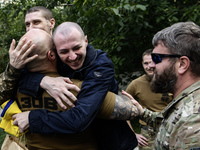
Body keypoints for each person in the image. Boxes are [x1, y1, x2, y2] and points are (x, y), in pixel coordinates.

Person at [2, 22, 137, 149]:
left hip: (114, 143)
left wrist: (32, 118)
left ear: (86, 41)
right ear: (53, 53)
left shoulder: (100, 67)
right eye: (64, 52)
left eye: (77, 48)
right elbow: (29, 68)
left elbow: (80, 119)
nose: (72, 57)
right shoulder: (32, 76)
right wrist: (41, 80)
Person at [124, 21, 200, 149]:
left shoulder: (192, 122)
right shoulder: (187, 101)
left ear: (182, 64)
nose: (151, 66)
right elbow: (171, 122)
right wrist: (141, 112)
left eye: (157, 58)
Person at [126, 49, 172, 149]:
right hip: (148, 134)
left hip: (169, 128)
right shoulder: (136, 84)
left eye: (152, 62)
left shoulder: (170, 81)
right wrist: (133, 134)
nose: (149, 66)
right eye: (146, 63)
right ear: (142, 64)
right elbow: (122, 109)